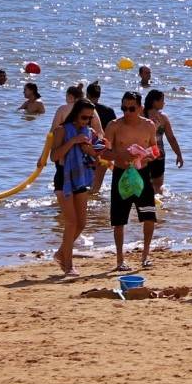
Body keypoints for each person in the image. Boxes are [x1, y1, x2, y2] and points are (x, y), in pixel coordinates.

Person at [105, 91, 160, 272]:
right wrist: (121, 154)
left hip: (142, 173)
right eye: (124, 108)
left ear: (140, 108)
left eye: (131, 108)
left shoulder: (149, 125)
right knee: (119, 220)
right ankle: (120, 260)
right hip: (121, 174)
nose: (127, 112)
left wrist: (148, 155)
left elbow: (155, 148)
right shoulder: (114, 126)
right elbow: (103, 152)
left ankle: (145, 256)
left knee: (149, 216)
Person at [52, 101, 105, 277]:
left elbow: (95, 157)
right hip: (64, 178)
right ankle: (68, 265)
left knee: (81, 223)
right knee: (71, 222)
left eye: (90, 118)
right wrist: (73, 141)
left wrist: (90, 148)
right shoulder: (62, 130)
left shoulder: (89, 132)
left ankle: (61, 253)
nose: (86, 121)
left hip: (81, 178)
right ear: (75, 114)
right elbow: (54, 156)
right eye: (84, 117)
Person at [142, 90, 182, 197]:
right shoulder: (163, 117)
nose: (164, 103)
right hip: (157, 154)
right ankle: (158, 210)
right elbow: (171, 138)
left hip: (142, 154)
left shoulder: (140, 115)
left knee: (142, 185)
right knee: (158, 188)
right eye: (162, 100)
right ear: (155, 102)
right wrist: (178, 154)